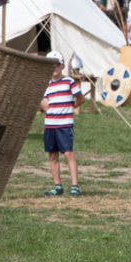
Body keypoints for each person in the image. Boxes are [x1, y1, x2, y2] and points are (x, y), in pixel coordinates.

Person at [41, 51, 85, 198]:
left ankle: (75, 186)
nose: (55, 67)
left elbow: (80, 98)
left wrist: (70, 107)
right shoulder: (45, 85)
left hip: (64, 124)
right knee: (52, 155)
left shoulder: (69, 82)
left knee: (68, 154)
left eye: (57, 64)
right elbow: (45, 106)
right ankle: (57, 186)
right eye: (51, 64)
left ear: (62, 66)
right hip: (50, 124)